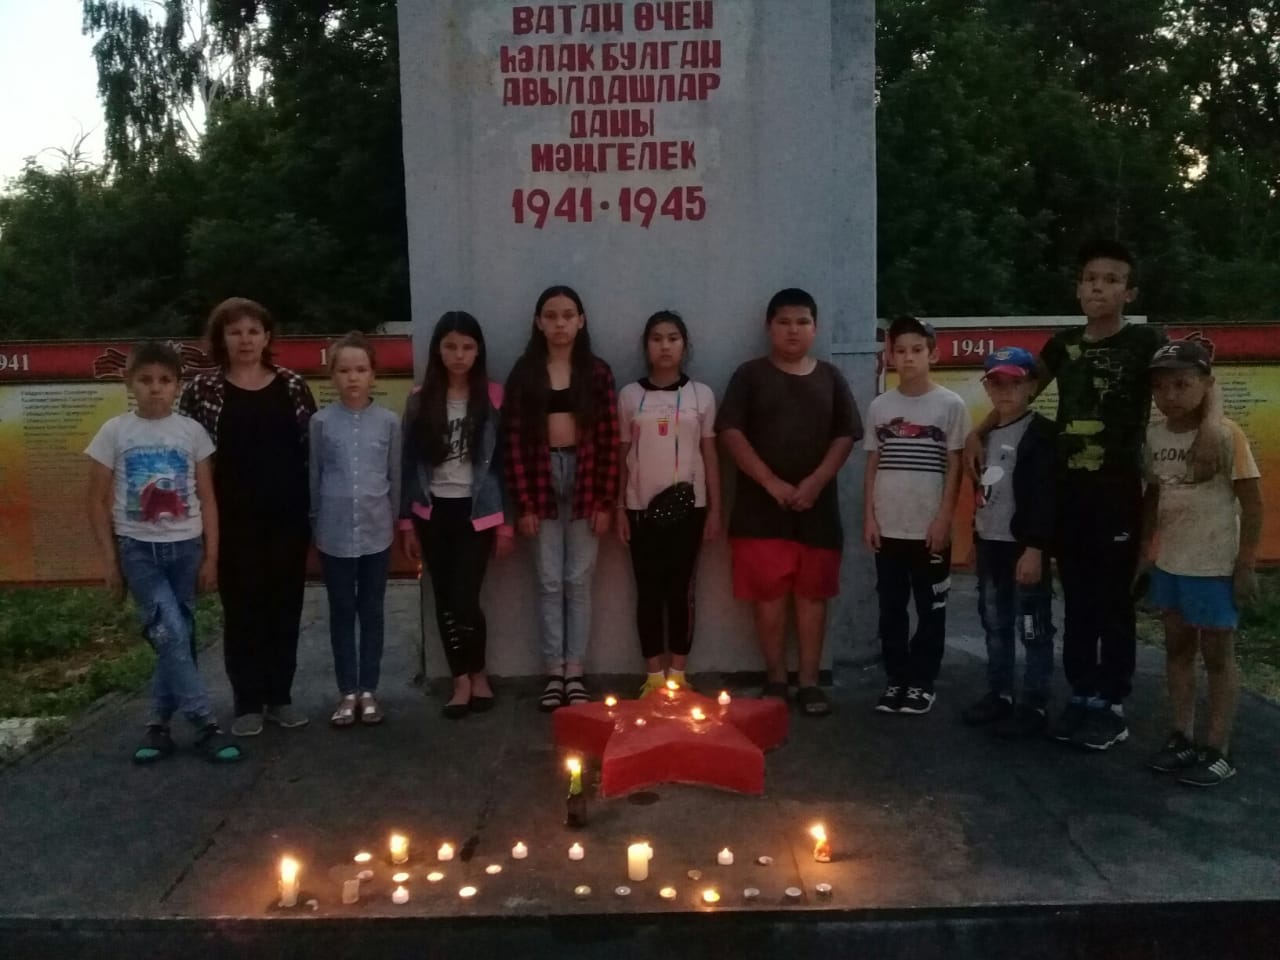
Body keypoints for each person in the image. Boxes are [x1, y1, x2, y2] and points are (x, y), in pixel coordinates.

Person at [965, 240, 1167, 750]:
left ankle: (1111, 703)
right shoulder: (1062, 345)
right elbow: (1022, 392)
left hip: (1117, 489)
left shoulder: (1146, 342)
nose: (1099, 287)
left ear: (1129, 292)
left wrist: (1206, 429)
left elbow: (1193, 383)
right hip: (1069, 490)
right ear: (1078, 288)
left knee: (1113, 598)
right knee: (1076, 597)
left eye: (1111, 280)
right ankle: (1081, 693)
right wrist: (977, 432)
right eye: (1090, 278)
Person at [86, 342, 241, 764]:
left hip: (186, 549)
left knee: (177, 636)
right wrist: (110, 561)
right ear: (129, 383)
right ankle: (205, 724)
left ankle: (157, 726)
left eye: (165, 380)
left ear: (177, 385)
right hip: (138, 551)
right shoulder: (114, 432)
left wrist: (211, 556)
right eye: (146, 380)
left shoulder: (192, 433)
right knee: (169, 631)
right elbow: (95, 501)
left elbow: (208, 499)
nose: (155, 388)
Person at [717, 288, 860, 717]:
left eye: (802, 322)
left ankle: (810, 682)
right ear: (769, 328)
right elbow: (730, 433)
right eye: (784, 322)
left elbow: (846, 434)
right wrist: (771, 483)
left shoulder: (830, 377)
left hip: (818, 509)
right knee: (769, 596)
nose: (793, 330)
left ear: (815, 328)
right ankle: (776, 679)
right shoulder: (749, 375)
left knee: (813, 596)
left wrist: (815, 482)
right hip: (760, 510)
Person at [180, 297, 316, 736]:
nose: (245, 340)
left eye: (253, 331)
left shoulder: (293, 386)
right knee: (242, 610)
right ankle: (247, 702)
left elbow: (312, 454)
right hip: (231, 521)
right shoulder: (201, 391)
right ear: (220, 338)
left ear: (267, 337)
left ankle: (280, 697)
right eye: (235, 331)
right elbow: (185, 459)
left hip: (287, 517)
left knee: (284, 606)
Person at [1140, 339, 1262, 786]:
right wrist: (1145, 556)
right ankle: (1182, 735)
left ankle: (1218, 748)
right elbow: (1153, 497)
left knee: (1217, 656)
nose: (1170, 395)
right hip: (1171, 563)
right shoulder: (1154, 435)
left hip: (1213, 567)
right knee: (1177, 650)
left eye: (1181, 384)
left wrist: (1245, 564)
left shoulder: (1227, 435)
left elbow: (1253, 504)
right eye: (1160, 387)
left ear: (1206, 385)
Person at [504, 286, 619, 711]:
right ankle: (554, 671)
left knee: (578, 580)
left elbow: (609, 439)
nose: (560, 324)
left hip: (586, 478)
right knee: (549, 580)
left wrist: (605, 501)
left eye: (568, 315)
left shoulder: (598, 373)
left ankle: (575, 671)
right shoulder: (525, 373)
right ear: (538, 322)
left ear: (581, 321)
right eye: (551, 316)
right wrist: (525, 504)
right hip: (540, 478)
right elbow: (513, 440)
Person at [400, 312, 515, 719]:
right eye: (450, 346)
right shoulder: (419, 399)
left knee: (466, 598)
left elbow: (505, 464)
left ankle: (478, 672)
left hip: (477, 512)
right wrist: (406, 523)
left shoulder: (494, 398)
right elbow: (408, 463)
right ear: (438, 350)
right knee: (446, 601)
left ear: (478, 351)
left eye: (467, 347)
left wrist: (506, 523)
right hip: (432, 512)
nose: (459, 355)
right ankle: (461, 680)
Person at [864, 316, 970, 716]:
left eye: (917, 350)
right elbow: (872, 464)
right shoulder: (880, 406)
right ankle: (896, 679)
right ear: (890, 355)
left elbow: (955, 466)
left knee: (930, 607)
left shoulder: (950, 405)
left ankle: (923, 682)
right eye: (900, 350)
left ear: (933, 354)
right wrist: (869, 517)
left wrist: (944, 519)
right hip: (888, 525)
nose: (908, 358)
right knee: (891, 608)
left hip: (929, 529)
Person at [616, 311, 722, 695]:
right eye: (657, 338)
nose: (665, 346)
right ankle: (652, 678)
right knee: (648, 592)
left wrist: (715, 509)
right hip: (640, 509)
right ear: (646, 346)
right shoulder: (630, 396)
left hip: (689, 508)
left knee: (681, 592)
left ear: (684, 345)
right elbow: (622, 455)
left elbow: (710, 454)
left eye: (673, 338)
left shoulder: (701, 395)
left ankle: (678, 675)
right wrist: (619, 508)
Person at [960, 347, 1058, 737]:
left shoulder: (1042, 434)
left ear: (1032, 386)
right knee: (994, 621)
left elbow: (1047, 496)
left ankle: (1034, 701)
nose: (1005, 390)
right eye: (996, 383)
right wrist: (975, 538)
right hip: (990, 544)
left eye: (1014, 383)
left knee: (1033, 626)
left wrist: (1036, 548)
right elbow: (984, 493)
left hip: (1024, 547)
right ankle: (999, 692)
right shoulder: (983, 435)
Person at [310, 332, 400, 727]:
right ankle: (347, 690)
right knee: (342, 610)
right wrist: (314, 522)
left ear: (373, 374)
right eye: (344, 370)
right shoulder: (321, 422)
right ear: (332, 375)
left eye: (360, 369)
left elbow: (395, 475)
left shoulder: (389, 422)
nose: (353, 378)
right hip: (333, 533)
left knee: (373, 610)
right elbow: (315, 474)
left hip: (377, 531)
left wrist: (397, 522)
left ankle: (369, 690)